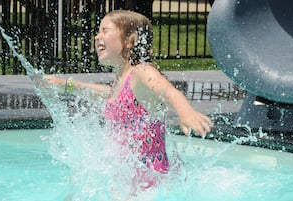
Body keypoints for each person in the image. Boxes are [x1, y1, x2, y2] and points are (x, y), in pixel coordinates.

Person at [46, 10, 213, 192]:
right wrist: (67, 85)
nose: (97, 36)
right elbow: (110, 96)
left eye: (105, 30)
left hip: (147, 183)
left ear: (130, 41)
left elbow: (166, 89)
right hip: (125, 179)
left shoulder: (141, 71)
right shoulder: (123, 78)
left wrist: (185, 112)